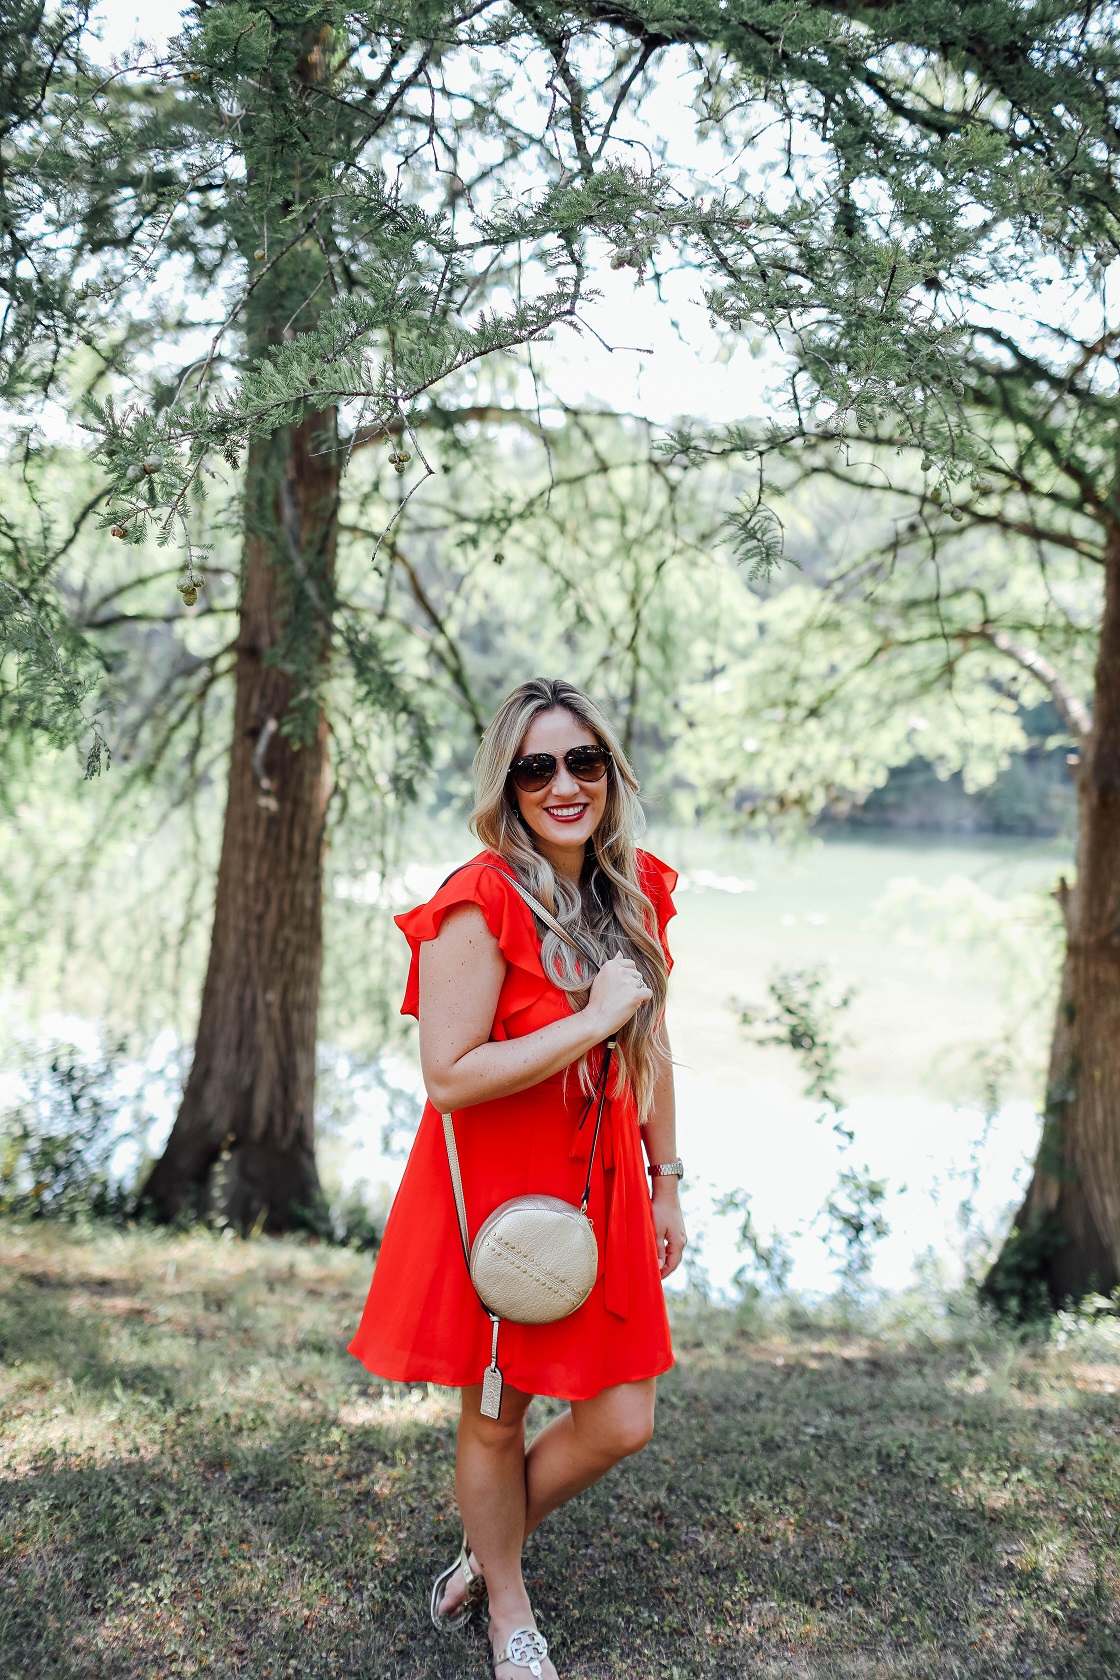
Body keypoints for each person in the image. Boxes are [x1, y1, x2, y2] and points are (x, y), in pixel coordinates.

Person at [348, 677, 686, 1679]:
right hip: (498, 1199)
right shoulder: (479, 899)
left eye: (581, 761)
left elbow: (656, 1048)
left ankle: (486, 1542)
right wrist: (588, 1020)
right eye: (536, 767)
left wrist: (667, 1176)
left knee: (621, 1419)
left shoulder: (636, 891)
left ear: (609, 772)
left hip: (607, 1186)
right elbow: (450, 1077)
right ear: (508, 782)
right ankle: (507, 1606)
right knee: (496, 1416)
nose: (563, 785)